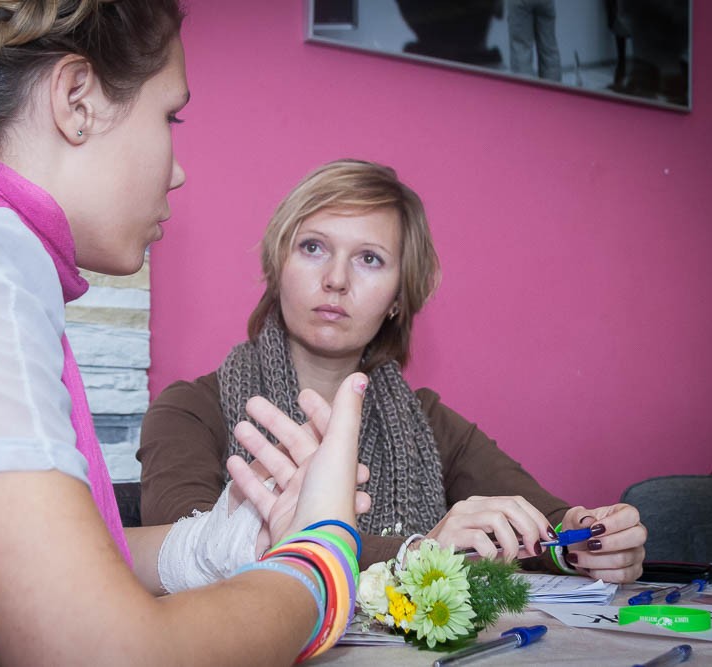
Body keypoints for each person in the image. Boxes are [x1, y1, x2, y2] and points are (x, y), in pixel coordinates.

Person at [0, 2, 369, 665]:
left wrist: (215, 546)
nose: (178, 171)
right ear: (76, 100)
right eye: (170, 116)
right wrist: (319, 560)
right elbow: (102, 654)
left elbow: (41, 571)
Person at [138, 159, 647, 582]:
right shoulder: (191, 410)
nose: (335, 279)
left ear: (399, 298)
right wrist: (416, 553)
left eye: (369, 259)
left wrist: (586, 541)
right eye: (313, 247)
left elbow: (548, 524)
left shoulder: (428, 422)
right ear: (277, 266)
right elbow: (181, 555)